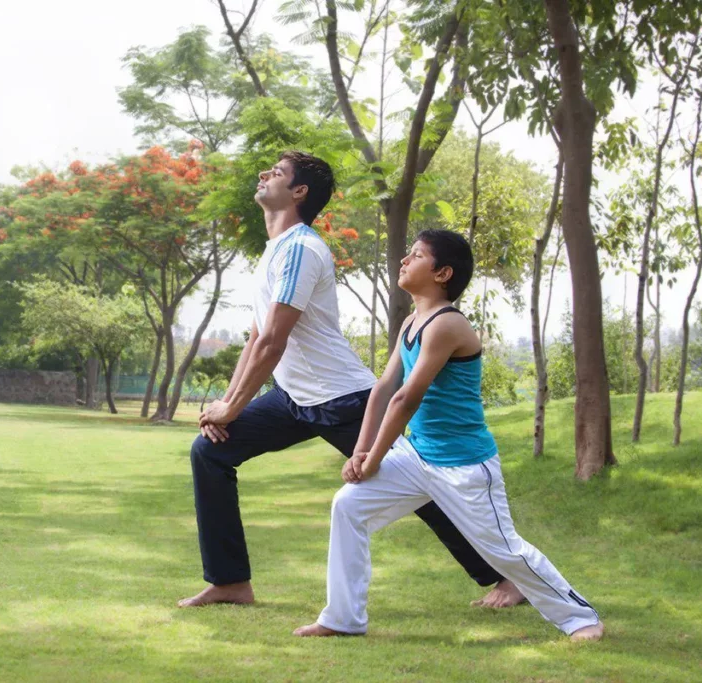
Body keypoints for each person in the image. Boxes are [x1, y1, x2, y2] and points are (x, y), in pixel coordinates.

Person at [178, 151, 525, 609]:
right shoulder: (274, 251)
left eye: (277, 173)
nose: (264, 176)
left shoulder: (302, 248)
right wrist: (227, 404)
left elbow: (274, 341)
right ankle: (229, 582)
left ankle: (507, 577)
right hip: (293, 398)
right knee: (210, 452)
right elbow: (257, 336)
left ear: (299, 192)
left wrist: (233, 407)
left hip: (343, 398)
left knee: (423, 488)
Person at [293, 229, 604, 641]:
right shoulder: (411, 321)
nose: (404, 260)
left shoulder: (447, 325)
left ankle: (581, 619)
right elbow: (384, 389)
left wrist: (374, 458)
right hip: (417, 457)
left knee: (503, 550)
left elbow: (406, 399)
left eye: (416, 255)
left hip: (463, 464)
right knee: (349, 506)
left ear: (442, 273)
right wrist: (361, 450)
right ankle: (343, 618)